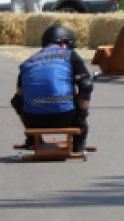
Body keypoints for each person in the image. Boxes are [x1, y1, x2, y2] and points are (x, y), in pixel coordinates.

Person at [12, 25, 93, 153]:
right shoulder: (69, 55)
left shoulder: (28, 61)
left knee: (17, 101)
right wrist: (81, 116)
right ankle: (79, 139)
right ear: (64, 43)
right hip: (66, 117)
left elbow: (18, 97)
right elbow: (86, 85)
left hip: (34, 120)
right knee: (86, 86)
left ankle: (32, 138)